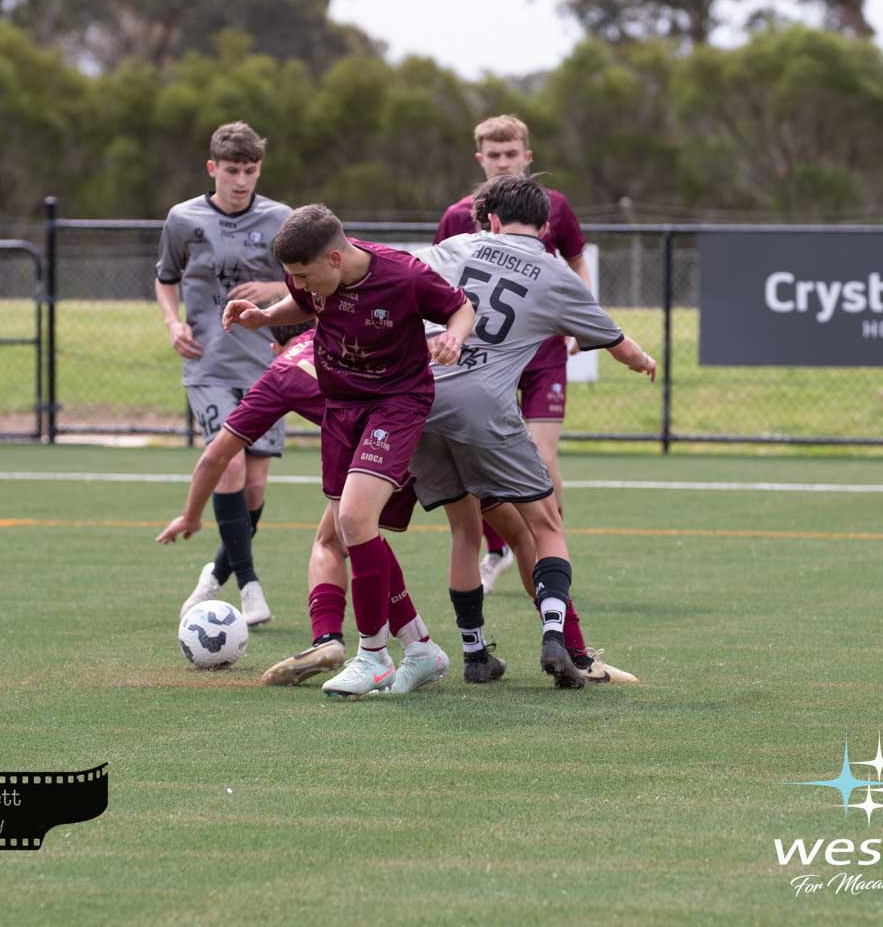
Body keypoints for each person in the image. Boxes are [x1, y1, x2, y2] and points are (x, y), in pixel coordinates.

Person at [223, 204, 476, 698]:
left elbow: (461, 307)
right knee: (351, 530)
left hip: (397, 404)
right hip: (341, 407)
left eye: (304, 276)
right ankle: (421, 649)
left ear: (335, 258)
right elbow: (303, 302)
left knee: (355, 521)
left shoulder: (403, 276)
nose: (299, 284)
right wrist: (266, 316)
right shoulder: (312, 275)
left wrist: (454, 337)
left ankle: (374, 657)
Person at [418, 174, 656, 688]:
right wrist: (642, 361)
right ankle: (554, 636)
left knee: (464, 530)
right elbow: (616, 342)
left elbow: (401, 289)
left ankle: (474, 654)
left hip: (422, 403)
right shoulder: (555, 274)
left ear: (493, 219)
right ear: (546, 227)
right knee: (546, 525)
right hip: (485, 411)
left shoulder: (455, 246)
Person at [157, 324, 447, 695]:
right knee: (347, 534)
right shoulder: (334, 330)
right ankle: (415, 645)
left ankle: (374, 647)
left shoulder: (281, 372)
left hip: (390, 435)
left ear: (274, 345)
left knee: (339, 537)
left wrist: (191, 515)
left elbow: (215, 456)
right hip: (431, 414)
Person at [434, 115, 589, 595]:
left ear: (528, 156)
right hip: (482, 357)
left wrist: (581, 318)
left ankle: (550, 553)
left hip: (541, 352)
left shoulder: (553, 206)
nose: (503, 162)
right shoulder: (457, 216)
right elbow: (435, 286)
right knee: (479, 453)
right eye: (494, 155)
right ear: (480, 158)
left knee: (540, 456)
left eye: (511, 153)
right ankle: (498, 548)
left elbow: (576, 262)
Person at [155, 121, 290, 628]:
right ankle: (251, 589)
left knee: (254, 488)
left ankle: (213, 577)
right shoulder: (182, 219)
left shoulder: (281, 219)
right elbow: (165, 278)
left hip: (266, 365)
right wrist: (173, 323)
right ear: (213, 168)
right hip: (208, 364)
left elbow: (309, 281)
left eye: (250, 171)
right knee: (228, 467)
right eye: (232, 170)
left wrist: (273, 288)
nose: (241, 181)